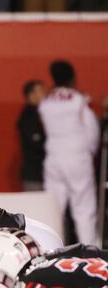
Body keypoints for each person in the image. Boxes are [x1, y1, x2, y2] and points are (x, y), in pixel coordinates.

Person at [38, 60, 100, 245]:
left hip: (53, 158)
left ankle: (49, 250)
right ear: (72, 77)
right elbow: (91, 129)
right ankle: (90, 255)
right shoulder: (78, 99)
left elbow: (44, 127)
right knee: (83, 209)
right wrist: (89, 151)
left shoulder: (46, 101)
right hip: (77, 156)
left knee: (53, 209)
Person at [17, 80, 46, 191]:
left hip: (47, 172)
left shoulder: (44, 112)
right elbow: (35, 141)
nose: (45, 94)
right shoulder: (28, 116)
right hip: (34, 174)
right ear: (31, 95)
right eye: (41, 91)